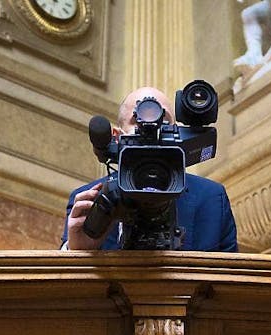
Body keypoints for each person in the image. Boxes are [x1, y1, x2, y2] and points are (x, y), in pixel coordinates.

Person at [61, 86, 238, 251]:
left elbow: (234, 281)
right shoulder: (88, 203)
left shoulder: (211, 199)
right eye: (137, 120)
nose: (152, 128)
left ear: (179, 134)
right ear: (116, 137)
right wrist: (77, 251)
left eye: (164, 120)